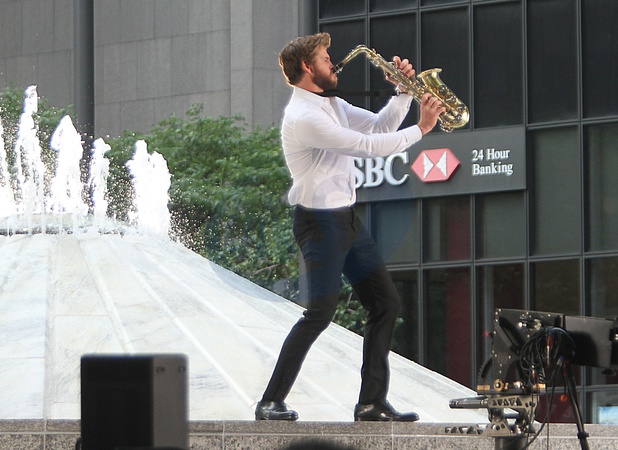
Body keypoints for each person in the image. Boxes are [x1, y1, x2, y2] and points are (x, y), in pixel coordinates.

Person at [255, 32, 445, 422]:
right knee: (319, 314)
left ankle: (371, 403)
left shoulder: (331, 104)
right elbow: (367, 147)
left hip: (345, 218)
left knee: (386, 304)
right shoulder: (304, 116)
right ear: (307, 67)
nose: (333, 63)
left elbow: (378, 127)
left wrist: (403, 93)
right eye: (326, 59)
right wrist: (423, 129)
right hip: (319, 223)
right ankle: (269, 401)